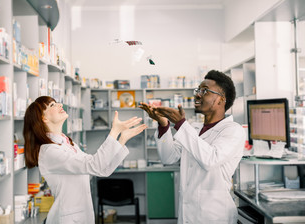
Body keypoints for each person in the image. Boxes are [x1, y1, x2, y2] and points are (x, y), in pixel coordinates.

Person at [140, 70, 245, 224]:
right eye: (198, 90)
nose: (197, 95)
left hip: (214, 215)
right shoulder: (195, 128)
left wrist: (181, 124)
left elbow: (210, 159)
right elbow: (169, 157)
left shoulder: (233, 130)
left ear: (221, 100)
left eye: (204, 91)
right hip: (188, 214)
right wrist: (164, 125)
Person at [23, 96, 147, 224]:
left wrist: (122, 139)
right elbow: (96, 165)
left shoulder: (68, 144)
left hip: (82, 215)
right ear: (44, 118)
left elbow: (103, 170)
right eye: (52, 105)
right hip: (67, 219)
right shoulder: (50, 152)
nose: (60, 105)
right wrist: (114, 132)